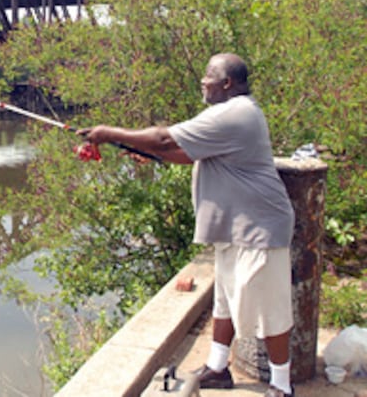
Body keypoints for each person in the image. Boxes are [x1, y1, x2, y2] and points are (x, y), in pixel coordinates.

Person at [77, 53, 296, 397]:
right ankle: (217, 368)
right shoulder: (226, 113)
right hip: (234, 229)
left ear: (227, 83)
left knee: (271, 310)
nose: (202, 81)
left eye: (209, 76)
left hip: (258, 228)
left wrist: (107, 133)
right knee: (224, 302)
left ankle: (282, 385)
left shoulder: (235, 113)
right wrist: (142, 149)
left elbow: (165, 140)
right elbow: (185, 153)